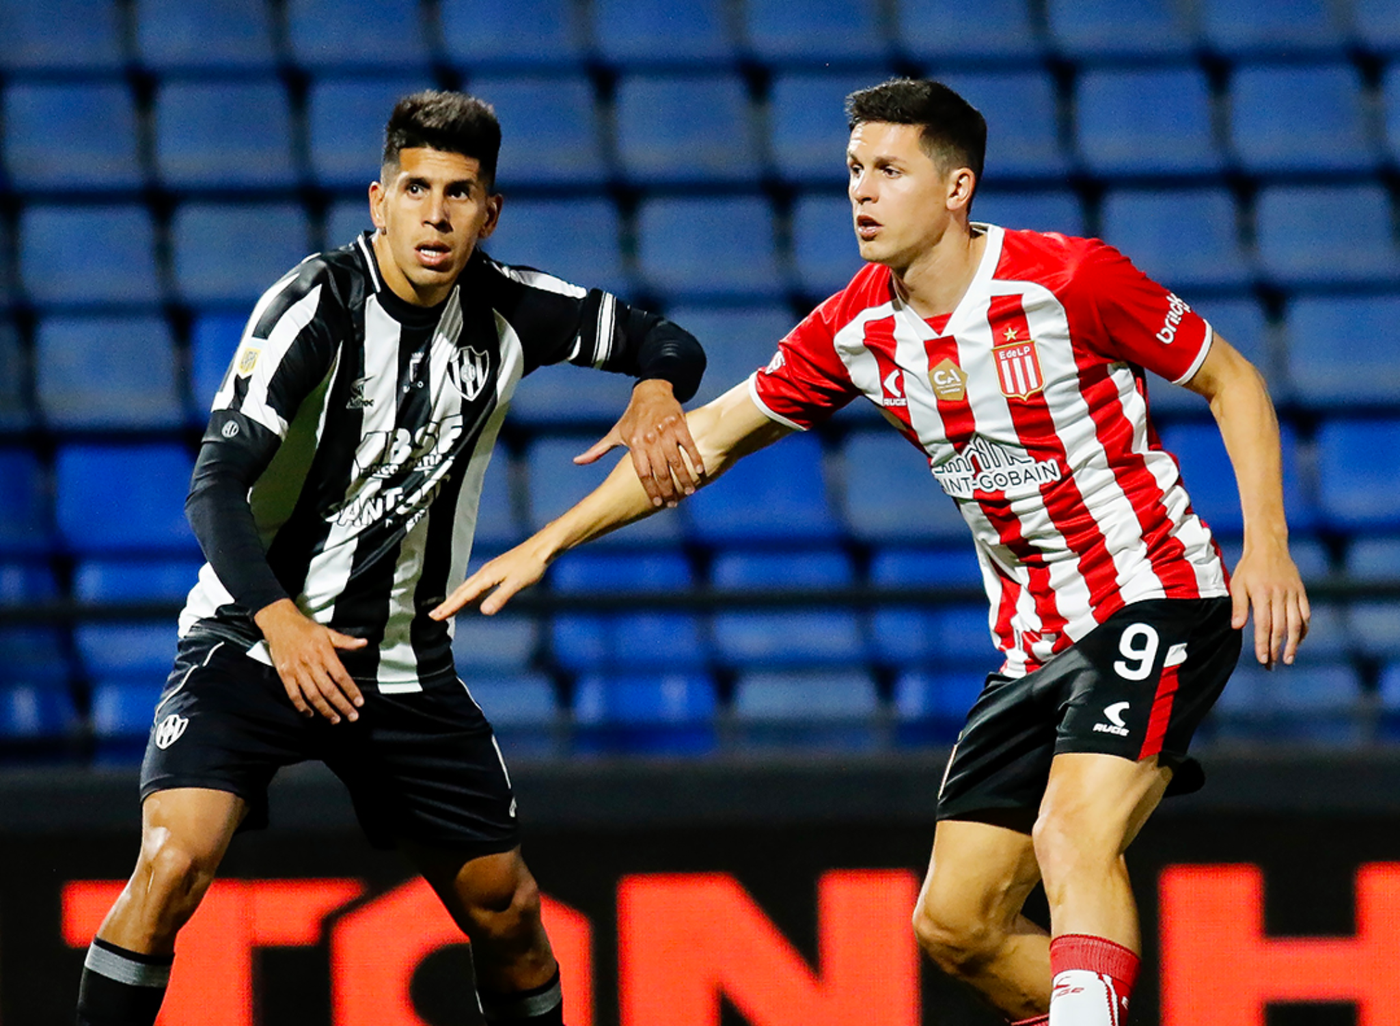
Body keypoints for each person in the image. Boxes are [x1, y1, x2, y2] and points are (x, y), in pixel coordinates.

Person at [432, 79, 1311, 1026]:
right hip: (1033, 640)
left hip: (1156, 592)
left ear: (956, 188)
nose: (861, 192)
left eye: (889, 171)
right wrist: (549, 542)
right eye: (854, 169)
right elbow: (710, 438)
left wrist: (1266, 544)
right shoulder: (857, 328)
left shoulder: (1070, 279)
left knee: (1069, 834)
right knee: (956, 926)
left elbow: (1233, 378)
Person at [75, 90, 707, 1026]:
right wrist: (280, 622)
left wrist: (657, 388)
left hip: (403, 670)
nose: (437, 214)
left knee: (512, 914)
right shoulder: (313, 306)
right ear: (380, 201)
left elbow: (668, 339)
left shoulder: (514, 309)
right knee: (172, 862)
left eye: (460, 193)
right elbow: (212, 488)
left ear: (488, 213)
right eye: (416, 189)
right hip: (253, 643)